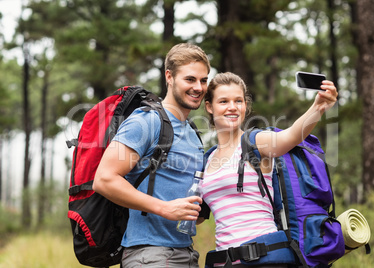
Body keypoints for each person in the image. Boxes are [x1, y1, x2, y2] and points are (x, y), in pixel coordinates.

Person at [199, 72, 338, 267]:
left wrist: (318, 107)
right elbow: (195, 217)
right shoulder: (207, 159)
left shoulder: (255, 141)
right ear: (209, 106)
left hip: (265, 259)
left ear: (245, 106)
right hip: (225, 262)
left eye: (238, 101)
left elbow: (290, 136)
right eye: (223, 101)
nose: (232, 107)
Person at [93, 43, 211, 268]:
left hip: (186, 253)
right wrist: (165, 208)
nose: (198, 87)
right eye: (190, 79)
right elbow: (104, 179)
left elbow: (195, 213)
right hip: (149, 255)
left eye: (203, 80)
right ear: (169, 77)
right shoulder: (146, 121)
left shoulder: (193, 134)